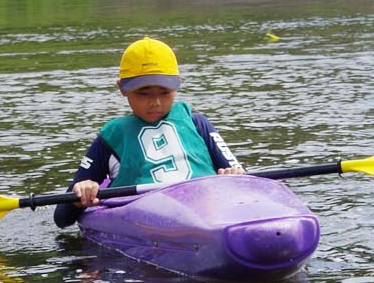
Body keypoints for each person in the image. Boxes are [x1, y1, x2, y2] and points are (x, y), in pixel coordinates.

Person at [53, 37, 244, 228]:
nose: (155, 102)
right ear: (122, 88)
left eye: (164, 92)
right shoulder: (111, 138)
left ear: (177, 85)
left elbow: (246, 183)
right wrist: (79, 196)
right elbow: (62, 217)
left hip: (206, 213)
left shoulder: (198, 124)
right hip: (146, 222)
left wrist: (233, 176)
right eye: (143, 93)